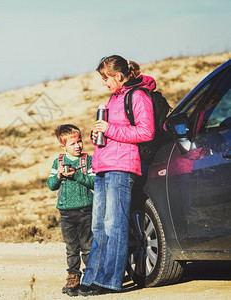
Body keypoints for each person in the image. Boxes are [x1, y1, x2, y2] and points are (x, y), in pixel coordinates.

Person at [78, 55, 155, 296]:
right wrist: (96, 134)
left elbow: (146, 131)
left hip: (122, 168)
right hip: (103, 165)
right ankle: (91, 278)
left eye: (106, 78)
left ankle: (109, 281)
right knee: (99, 226)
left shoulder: (138, 96)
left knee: (114, 225)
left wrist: (109, 129)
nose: (104, 83)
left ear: (119, 75)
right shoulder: (112, 100)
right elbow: (111, 134)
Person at [47, 124, 95, 296]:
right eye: (73, 143)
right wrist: (59, 176)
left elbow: (94, 182)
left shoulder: (87, 160)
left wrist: (77, 175)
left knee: (87, 246)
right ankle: (73, 276)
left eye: (79, 141)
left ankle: (91, 278)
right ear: (63, 146)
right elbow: (51, 185)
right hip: (66, 212)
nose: (77, 146)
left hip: (85, 210)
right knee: (71, 247)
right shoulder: (58, 162)